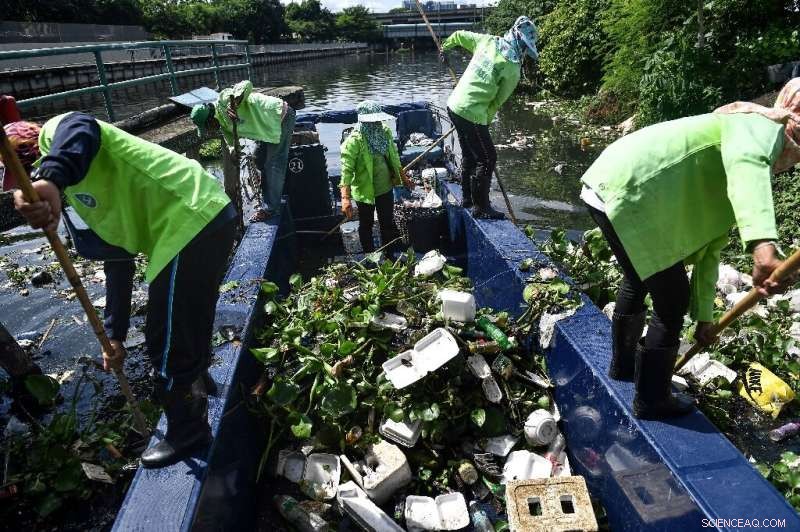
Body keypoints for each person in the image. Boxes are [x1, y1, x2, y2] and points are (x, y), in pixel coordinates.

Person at [12, 111, 236, 467]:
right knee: (189, 316)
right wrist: (114, 334)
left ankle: (189, 431)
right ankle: (197, 379)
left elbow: (79, 126)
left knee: (164, 339)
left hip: (188, 214)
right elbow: (117, 260)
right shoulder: (78, 192)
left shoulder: (57, 135)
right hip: (199, 217)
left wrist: (50, 179)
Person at [580, 78, 800, 419]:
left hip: (610, 184)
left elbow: (710, 250)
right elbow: (748, 166)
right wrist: (762, 246)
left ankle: (623, 369)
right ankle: (651, 399)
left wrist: (704, 320)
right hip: (629, 190)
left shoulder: (739, 157)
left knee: (638, 278)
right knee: (671, 300)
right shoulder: (760, 127)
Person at [440, 16, 539, 219]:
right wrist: (483, 125)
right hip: (471, 113)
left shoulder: (488, 41)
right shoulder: (512, 69)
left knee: (469, 153)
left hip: (453, 104)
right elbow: (495, 104)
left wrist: (444, 48)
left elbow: (458, 36)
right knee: (487, 158)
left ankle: (467, 198)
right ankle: (481, 207)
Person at [191, 80, 295, 222]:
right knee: (259, 159)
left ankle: (270, 209)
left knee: (273, 165)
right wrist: (234, 151)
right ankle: (269, 195)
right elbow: (231, 142)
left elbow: (247, 84)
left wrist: (236, 102)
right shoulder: (223, 124)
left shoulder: (224, 99)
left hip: (279, 116)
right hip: (265, 130)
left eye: (207, 126)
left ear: (210, 117)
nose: (209, 131)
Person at [340, 100, 413, 253]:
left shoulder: (384, 132)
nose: (376, 123)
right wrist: (345, 198)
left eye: (378, 120)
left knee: (387, 222)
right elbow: (346, 171)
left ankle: (389, 254)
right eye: (373, 120)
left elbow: (394, 158)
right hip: (364, 190)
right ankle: (370, 256)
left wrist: (404, 178)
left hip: (385, 187)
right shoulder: (353, 141)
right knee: (366, 225)